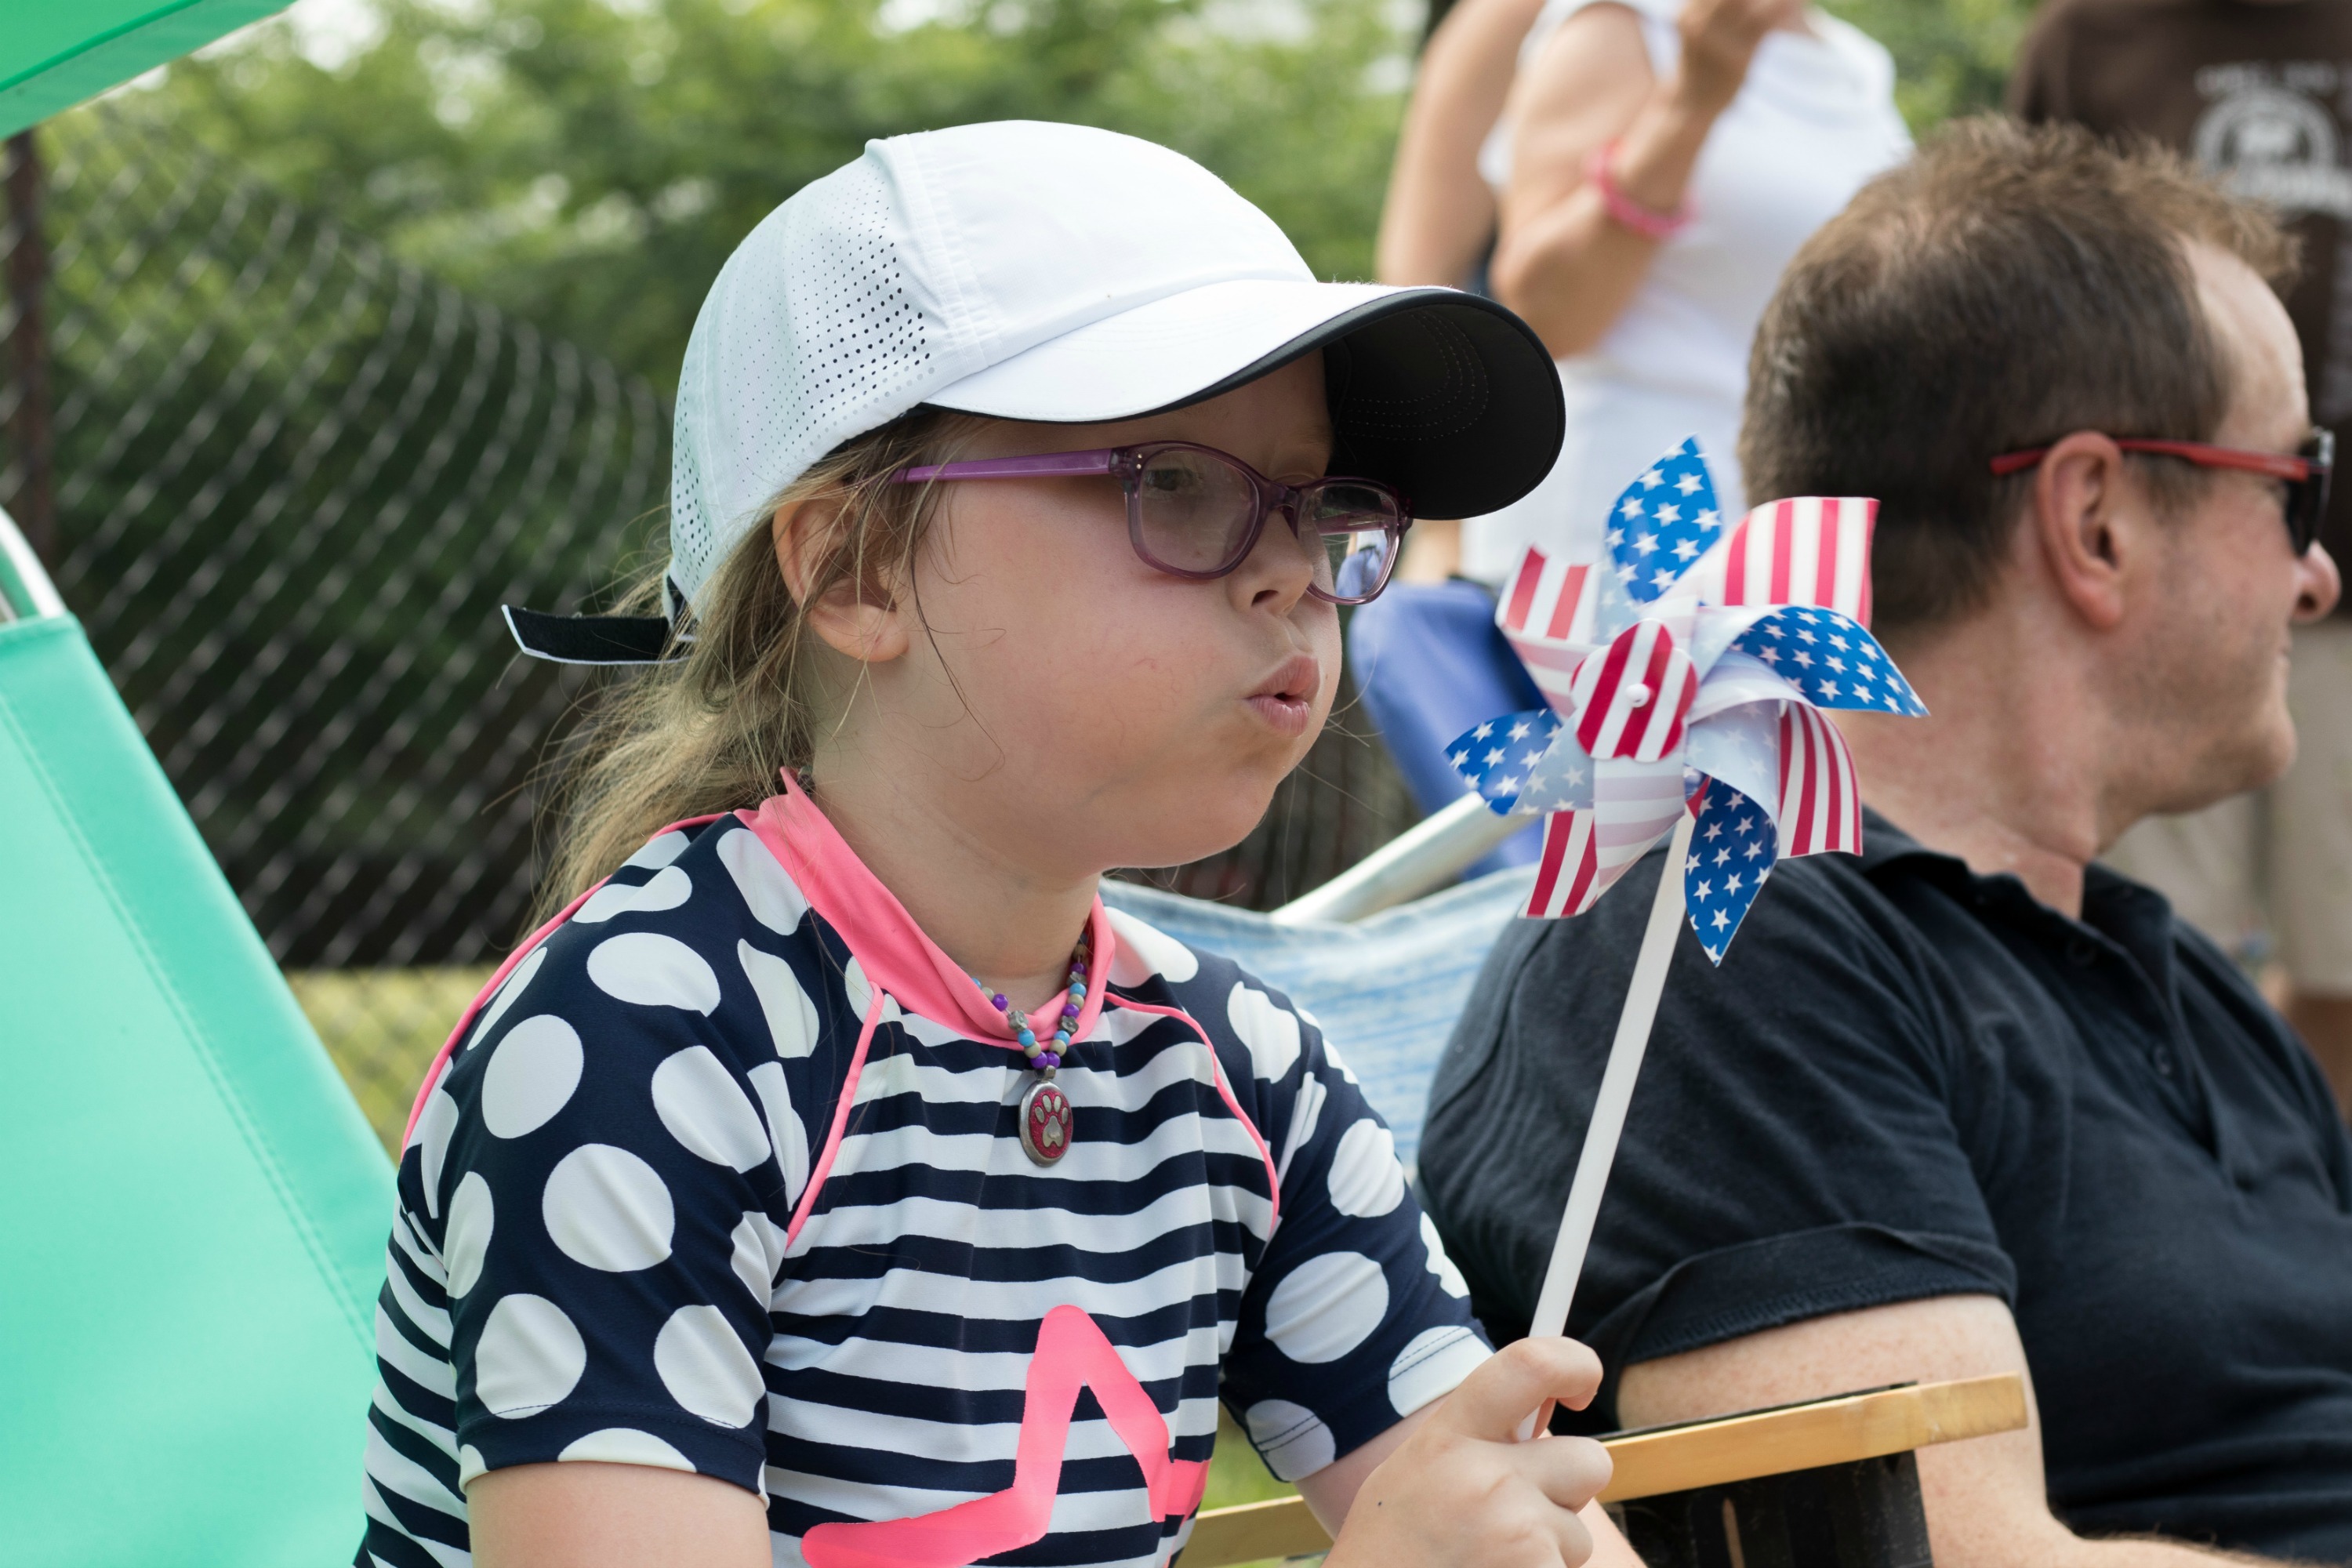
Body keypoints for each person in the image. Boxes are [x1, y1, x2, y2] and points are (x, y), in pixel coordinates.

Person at [355, 121, 1646, 1568]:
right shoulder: (640, 1047)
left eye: (1326, 502)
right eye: (1176, 485)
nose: (1296, 571)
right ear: (852, 569)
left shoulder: (1243, 1075)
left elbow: (1493, 1523)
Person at [1420, 118, 2352, 1566]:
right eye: (2295, 485)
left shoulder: (2191, 993)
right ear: (2095, 518)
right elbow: (1950, 1555)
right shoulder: (1730, 951)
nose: (2320, 572)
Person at [1345, 0, 1907, 858]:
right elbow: (1473, 304)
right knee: (1627, 912)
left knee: (1776, 904)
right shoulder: (1600, 23)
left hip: (1797, 575)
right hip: (1623, 572)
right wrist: (1695, 97)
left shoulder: (1857, 65)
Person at [2012, 0, 2352, 1116]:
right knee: (2148, 956)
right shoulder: (2083, 39)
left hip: (2344, 591)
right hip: (2153, 595)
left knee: (2344, 963)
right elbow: (2022, 309)